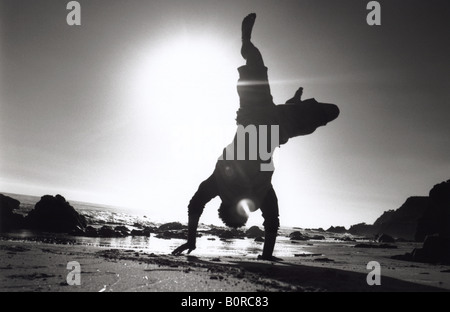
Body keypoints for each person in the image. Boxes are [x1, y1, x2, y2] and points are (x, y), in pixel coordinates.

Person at [172, 13, 339, 260]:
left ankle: (245, 41)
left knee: (254, 59)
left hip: (254, 113)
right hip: (278, 125)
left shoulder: (221, 184)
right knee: (331, 112)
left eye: (241, 210)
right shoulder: (257, 194)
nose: (246, 207)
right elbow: (272, 221)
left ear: (230, 205)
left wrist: (191, 241)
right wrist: (267, 255)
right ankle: (293, 104)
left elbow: (196, 205)